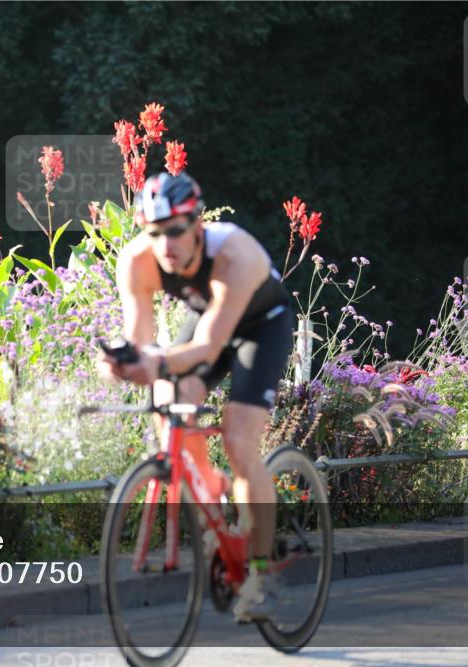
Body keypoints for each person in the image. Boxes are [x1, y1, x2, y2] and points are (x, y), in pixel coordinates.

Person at [97, 172, 294, 622]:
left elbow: (206, 348)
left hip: (260, 326)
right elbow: (142, 339)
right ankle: (216, 493)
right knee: (169, 401)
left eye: (175, 232)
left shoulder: (233, 255)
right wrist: (123, 364)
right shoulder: (137, 260)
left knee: (239, 441)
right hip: (209, 323)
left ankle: (261, 574)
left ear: (197, 224)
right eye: (154, 233)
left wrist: (157, 363)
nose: (165, 244)